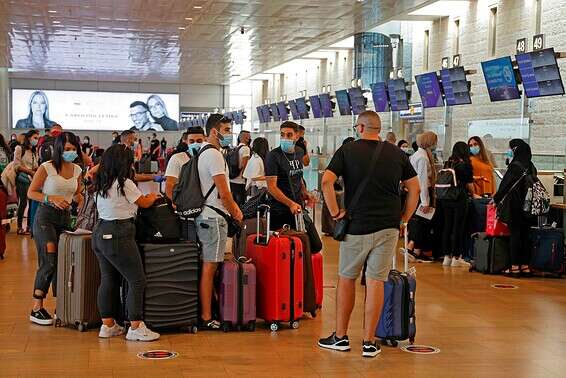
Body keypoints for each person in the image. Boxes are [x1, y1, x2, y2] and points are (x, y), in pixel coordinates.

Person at [318, 110, 419, 358]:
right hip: (388, 227)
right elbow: (415, 188)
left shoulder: (348, 151)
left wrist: (335, 211)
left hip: (357, 226)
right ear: (379, 129)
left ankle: (340, 337)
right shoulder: (396, 153)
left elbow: (326, 181)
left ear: (360, 127)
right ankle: (369, 342)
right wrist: (404, 218)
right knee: (376, 282)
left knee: (347, 278)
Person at [92, 144, 161, 341]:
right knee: (137, 280)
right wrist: (152, 196)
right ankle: (136, 327)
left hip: (100, 232)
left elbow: (92, 171)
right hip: (119, 233)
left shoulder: (101, 182)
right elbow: (145, 202)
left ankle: (108, 326)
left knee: (108, 279)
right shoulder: (125, 183)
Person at [27, 131, 83, 325]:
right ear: (59, 148)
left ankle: (63, 306)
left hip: (66, 219)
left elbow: (78, 193)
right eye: (67, 149)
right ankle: (36, 307)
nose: (71, 152)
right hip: (45, 217)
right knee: (49, 260)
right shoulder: (47, 167)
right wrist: (51, 198)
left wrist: (78, 201)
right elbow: (31, 192)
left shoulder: (77, 170)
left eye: (74, 149)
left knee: (65, 262)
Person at [196, 114, 242, 330]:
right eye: (225, 130)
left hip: (208, 216)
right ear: (214, 131)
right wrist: (236, 212)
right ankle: (206, 317)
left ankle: (210, 311)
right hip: (213, 219)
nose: (228, 134)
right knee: (209, 267)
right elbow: (224, 192)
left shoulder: (204, 152)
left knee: (210, 266)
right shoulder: (213, 155)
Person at [493, 139, 537, 277]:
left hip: (514, 205)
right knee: (525, 235)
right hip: (529, 206)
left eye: (511, 148)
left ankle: (514, 267)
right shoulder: (531, 166)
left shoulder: (515, 166)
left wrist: (495, 199)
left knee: (515, 235)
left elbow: (505, 185)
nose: (509, 150)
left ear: (516, 149)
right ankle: (525, 266)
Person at [265, 121, 314, 230]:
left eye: (289, 135)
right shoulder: (273, 156)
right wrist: (290, 203)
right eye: (282, 135)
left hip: (297, 206)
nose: (285, 138)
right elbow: (272, 187)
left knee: (309, 243)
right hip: (279, 209)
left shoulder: (299, 151)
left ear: (297, 136)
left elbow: (298, 176)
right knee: (284, 244)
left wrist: (305, 192)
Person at [439, 142, 478, 268]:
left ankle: (446, 257)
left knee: (447, 227)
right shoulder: (465, 165)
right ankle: (456, 257)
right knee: (458, 227)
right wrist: (474, 195)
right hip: (458, 198)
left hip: (445, 198)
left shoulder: (448, 163)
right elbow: (469, 183)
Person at [404, 131, 438, 262]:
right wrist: (425, 201)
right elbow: (423, 180)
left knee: (419, 221)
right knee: (422, 222)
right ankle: (412, 247)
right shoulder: (423, 158)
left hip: (415, 192)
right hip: (423, 193)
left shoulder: (416, 155)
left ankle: (417, 250)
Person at [164, 127, 205, 200]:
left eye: (199, 141)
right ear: (186, 141)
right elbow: (169, 184)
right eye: (192, 141)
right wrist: (175, 202)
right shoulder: (177, 158)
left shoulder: (208, 158)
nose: (195, 144)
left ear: (205, 140)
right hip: (185, 202)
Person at [14, 129, 39, 235]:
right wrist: (30, 172)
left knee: (32, 203)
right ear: (29, 138)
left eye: (37, 138)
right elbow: (16, 165)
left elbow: (36, 166)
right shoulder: (19, 148)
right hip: (23, 179)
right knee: (23, 202)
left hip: (32, 180)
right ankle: (19, 227)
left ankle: (29, 226)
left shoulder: (34, 151)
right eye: (35, 138)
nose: (36, 140)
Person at [229, 130, 252, 207]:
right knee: (240, 205)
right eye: (249, 137)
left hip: (231, 179)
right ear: (246, 138)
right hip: (240, 182)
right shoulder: (246, 148)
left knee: (233, 204)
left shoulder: (235, 148)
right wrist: (244, 176)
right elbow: (244, 164)